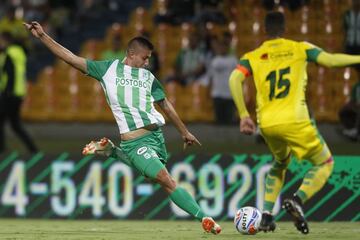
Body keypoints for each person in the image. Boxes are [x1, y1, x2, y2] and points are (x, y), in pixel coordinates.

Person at [24, 21, 221, 234]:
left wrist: (184, 131)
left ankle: (112, 151)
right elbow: (70, 58)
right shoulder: (107, 69)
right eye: (145, 58)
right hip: (136, 143)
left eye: (149, 59)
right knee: (166, 179)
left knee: (159, 180)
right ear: (132, 54)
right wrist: (43, 36)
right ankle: (204, 218)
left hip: (157, 138)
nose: (147, 63)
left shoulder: (148, 77)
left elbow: (164, 104)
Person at [229, 11, 360, 234]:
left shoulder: (253, 55)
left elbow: (234, 78)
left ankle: (267, 216)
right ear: (285, 29)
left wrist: (243, 114)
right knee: (324, 163)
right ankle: (297, 200)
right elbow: (329, 60)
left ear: (264, 30)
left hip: (267, 124)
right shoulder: (300, 48)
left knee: (280, 163)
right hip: (296, 119)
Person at [0, 31, 38, 154]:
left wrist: (7, 92)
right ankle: (32, 149)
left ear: (5, 40)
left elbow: (10, 74)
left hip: (10, 93)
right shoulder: (18, 52)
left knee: (9, 123)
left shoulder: (10, 53)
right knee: (14, 124)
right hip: (18, 92)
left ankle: (2, 149)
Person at [338, 70, 360, 141]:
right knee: (343, 110)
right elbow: (353, 99)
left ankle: (356, 131)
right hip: (356, 105)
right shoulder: (356, 85)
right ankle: (349, 129)